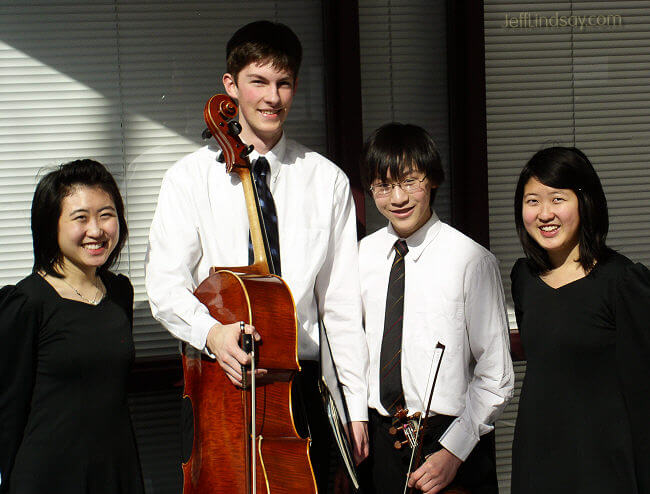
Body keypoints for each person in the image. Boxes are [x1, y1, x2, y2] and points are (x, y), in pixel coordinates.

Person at [145, 20, 369, 490]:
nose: (272, 97)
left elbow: (340, 306)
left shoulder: (325, 180)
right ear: (231, 85)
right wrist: (212, 333)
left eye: (284, 83)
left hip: (302, 386)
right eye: (259, 81)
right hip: (220, 375)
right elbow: (165, 285)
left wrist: (354, 401)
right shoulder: (189, 178)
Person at [358, 123, 514, 494]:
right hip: (381, 440)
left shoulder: (471, 260)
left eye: (410, 181)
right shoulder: (361, 256)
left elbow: (496, 375)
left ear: (433, 180)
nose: (397, 198)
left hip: (450, 438)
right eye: (383, 185)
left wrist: (453, 452)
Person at [510, 146, 650, 494]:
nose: (544, 214)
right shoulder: (523, 278)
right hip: (537, 460)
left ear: (585, 201)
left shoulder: (623, 281)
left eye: (557, 199)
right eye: (532, 201)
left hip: (603, 467)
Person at [0, 159, 143, 494]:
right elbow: (7, 412)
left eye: (106, 214)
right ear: (52, 225)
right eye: (81, 217)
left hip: (115, 470)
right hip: (47, 476)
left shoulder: (119, 292)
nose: (96, 230)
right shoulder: (25, 302)